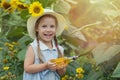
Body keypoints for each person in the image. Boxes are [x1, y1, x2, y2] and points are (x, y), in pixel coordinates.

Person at [23, 9, 67, 80]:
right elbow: (27, 68)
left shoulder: (59, 49)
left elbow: (61, 73)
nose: (48, 30)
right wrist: (46, 66)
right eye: (44, 26)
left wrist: (61, 68)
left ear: (56, 28)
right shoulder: (33, 47)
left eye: (52, 26)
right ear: (37, 28)